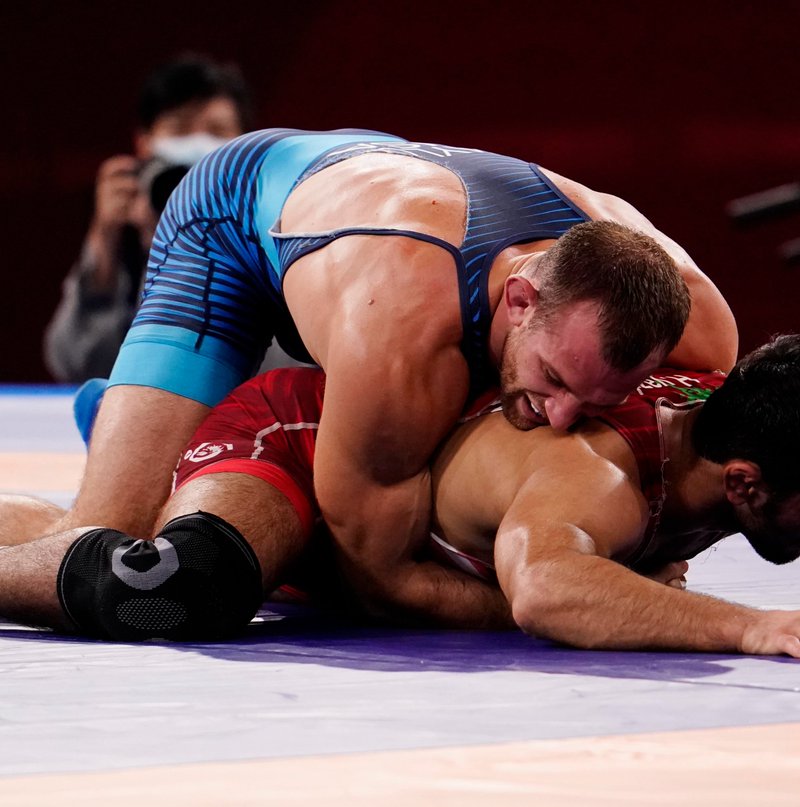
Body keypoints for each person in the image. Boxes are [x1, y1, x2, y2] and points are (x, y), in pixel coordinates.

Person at [3, 335, 800, 655]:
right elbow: (546, 587)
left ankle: (125, 466)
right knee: (167, 588)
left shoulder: (754, 420)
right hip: (308, 446)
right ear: (743, 480)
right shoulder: (602, 475)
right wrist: (748, 623)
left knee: (129, 537)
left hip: (394, 538)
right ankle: (154, 470)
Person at [9, 127, 737, 624]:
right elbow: (377, 574)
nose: (560, 416)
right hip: (236, 221)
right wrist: (562, 598)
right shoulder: (403, 327)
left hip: (389, 189)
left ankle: (151, 432)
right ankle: (147, 433)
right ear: (520, 298)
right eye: (552, 378)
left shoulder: (699, 325)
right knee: (113, 534)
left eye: (595, 400)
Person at [44, 55, 251, 383]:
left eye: (216, 130)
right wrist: (103, 240)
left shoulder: (261, 234)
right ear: (144, 143)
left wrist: (190, 253)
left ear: (243, 144)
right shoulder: (124, 237)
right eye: (180, 128)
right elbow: (76, 364)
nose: (198, 142)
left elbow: (268, 367)